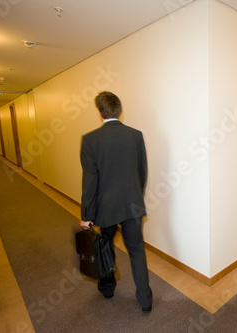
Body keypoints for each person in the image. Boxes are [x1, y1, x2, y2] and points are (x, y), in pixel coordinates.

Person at [79, 91, 153, 312]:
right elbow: (142, 172)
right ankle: (145, 300)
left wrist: (86, 215)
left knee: (105, 246)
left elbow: (90, 182)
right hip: (132, 204)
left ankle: (108, 287)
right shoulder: (135, 135)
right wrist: (135, 197)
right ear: (118, 111)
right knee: (137, 250)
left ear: (100, 113)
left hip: (106, 207)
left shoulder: (90, 140)